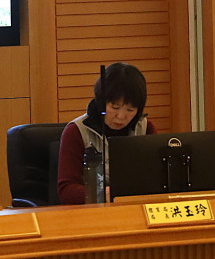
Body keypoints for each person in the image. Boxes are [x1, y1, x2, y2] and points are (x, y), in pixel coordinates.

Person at [56, 62, 155, 204]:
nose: (121, 116)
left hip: (134, 207)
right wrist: (101, 194)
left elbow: (157, 179)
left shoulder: (145, 128)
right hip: (92, 212)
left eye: (130, 110)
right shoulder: (76, 131)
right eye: (115, 107)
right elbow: (66, 190)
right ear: (101, 103)